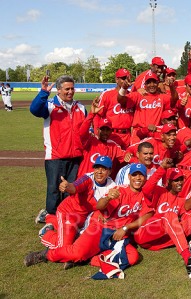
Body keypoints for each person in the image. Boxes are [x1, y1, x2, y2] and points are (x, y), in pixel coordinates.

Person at [24, 163, 152, 273]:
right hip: (102, 229)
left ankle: (91, 259)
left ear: (146, 178)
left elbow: (148, 214)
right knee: (76, 252)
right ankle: (46, 254)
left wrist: (126, 227)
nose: (138, 178)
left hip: (119, 235)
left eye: (141, 175)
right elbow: (100, 206)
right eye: (134, 175)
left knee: (133, 257)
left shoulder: (145, 195)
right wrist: (108, 198)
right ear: (129, 177)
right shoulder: (119, 190)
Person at [134, 160, 191, 279]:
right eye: (176, 180)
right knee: (169, 215)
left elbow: (188, 216)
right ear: (168, 182)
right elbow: (147, 188)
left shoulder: (180, 201)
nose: (180, 182)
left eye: (181, 179)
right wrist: (162, 168)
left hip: (160, 240)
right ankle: (189, 260)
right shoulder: (159, 192)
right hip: (145, 233)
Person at [30, 75, 87, 223]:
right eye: (67, 89)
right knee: (54, 189)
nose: (70, 91)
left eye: (72, 88)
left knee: (71, 189)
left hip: (76, 157)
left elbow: (87, 130)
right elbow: (34, 109)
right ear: (59, 90)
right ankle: (51, 218)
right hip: (55, 156)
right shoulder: (49, 106)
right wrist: (43, 92)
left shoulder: (80, 107)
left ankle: (67, 216)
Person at [40, 156, 116, 252]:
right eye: (97, 168)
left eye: (104, 169)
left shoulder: (112, 185)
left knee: (79, 241)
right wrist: (67, 186)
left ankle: (50, 220)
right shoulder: (88, 178)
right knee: (64, 247)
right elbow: (74, 186)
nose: (99, 172)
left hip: (84, 217)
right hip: (68, 213)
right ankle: (47, 233)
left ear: (110, 171)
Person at [117, 71, 178, 144]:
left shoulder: (162, 97)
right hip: (138, 133)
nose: (152, 85)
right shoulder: (138, 95)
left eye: (154, 82)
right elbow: (121, 100)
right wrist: (123, 88)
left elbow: (174, 99)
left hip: (155, 132)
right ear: (145, 84)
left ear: (158, 83)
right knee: (137, 154)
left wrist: (172, 87)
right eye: (149, 82)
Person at [95, 68, 135, 148]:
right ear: (117, 80)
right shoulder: (107, 95)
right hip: (111, 134)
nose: (126, 80)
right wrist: (97, 133)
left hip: (128, 135)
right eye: (123, 78)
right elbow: (98, 116)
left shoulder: (132, 95)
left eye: (128, 78)